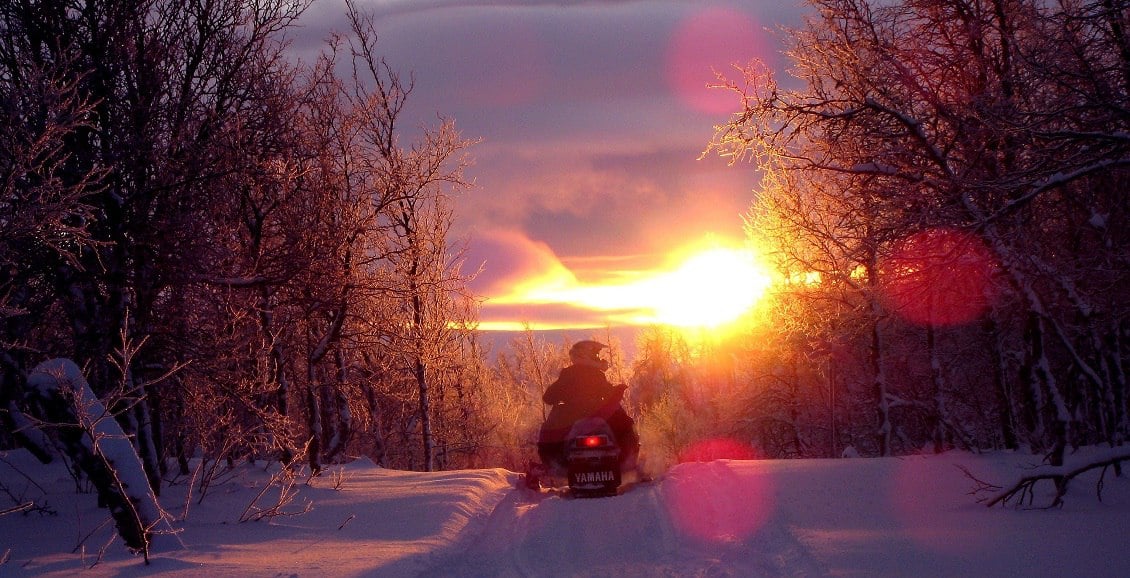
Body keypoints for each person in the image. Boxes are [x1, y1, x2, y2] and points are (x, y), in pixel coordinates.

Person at [536, 340, 640, 473]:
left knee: (549, 431)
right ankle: (627, 463)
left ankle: (555, 465)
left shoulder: (567, 374)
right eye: (595, 355)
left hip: (570, 415)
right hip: (596, 412)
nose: (599, 358)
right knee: (626, 425)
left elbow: (548, 397)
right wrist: (617, 391)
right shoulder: (596, 375)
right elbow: (608, 393)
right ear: (585, 355)